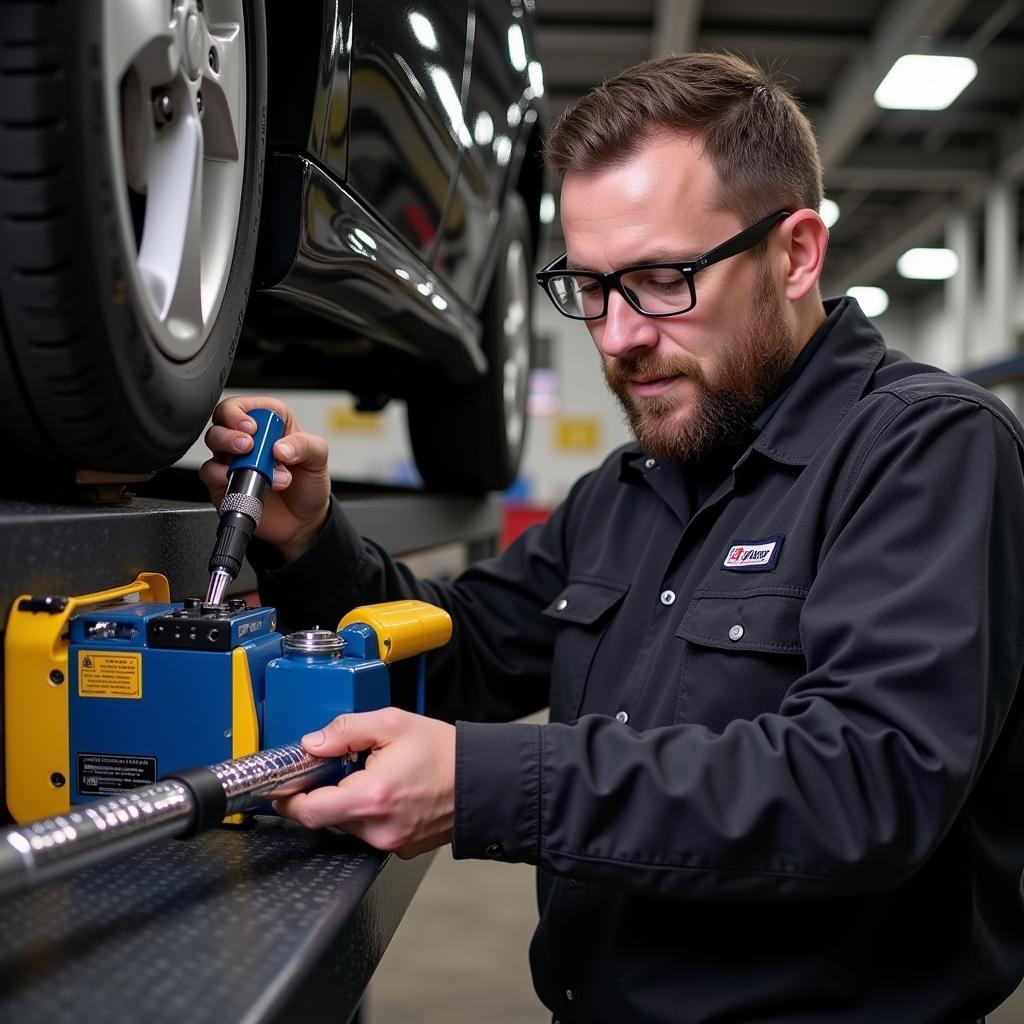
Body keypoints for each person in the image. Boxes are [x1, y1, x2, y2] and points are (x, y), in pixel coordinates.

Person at [202, 52, 1024, 1024]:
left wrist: (485, 785)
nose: (617, 336)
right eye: (590, 288)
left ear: (796, 253)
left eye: (660, 279)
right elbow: (463, 650)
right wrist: (311, 541)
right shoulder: (631, 485)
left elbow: (864, 782)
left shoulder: (926, 449)